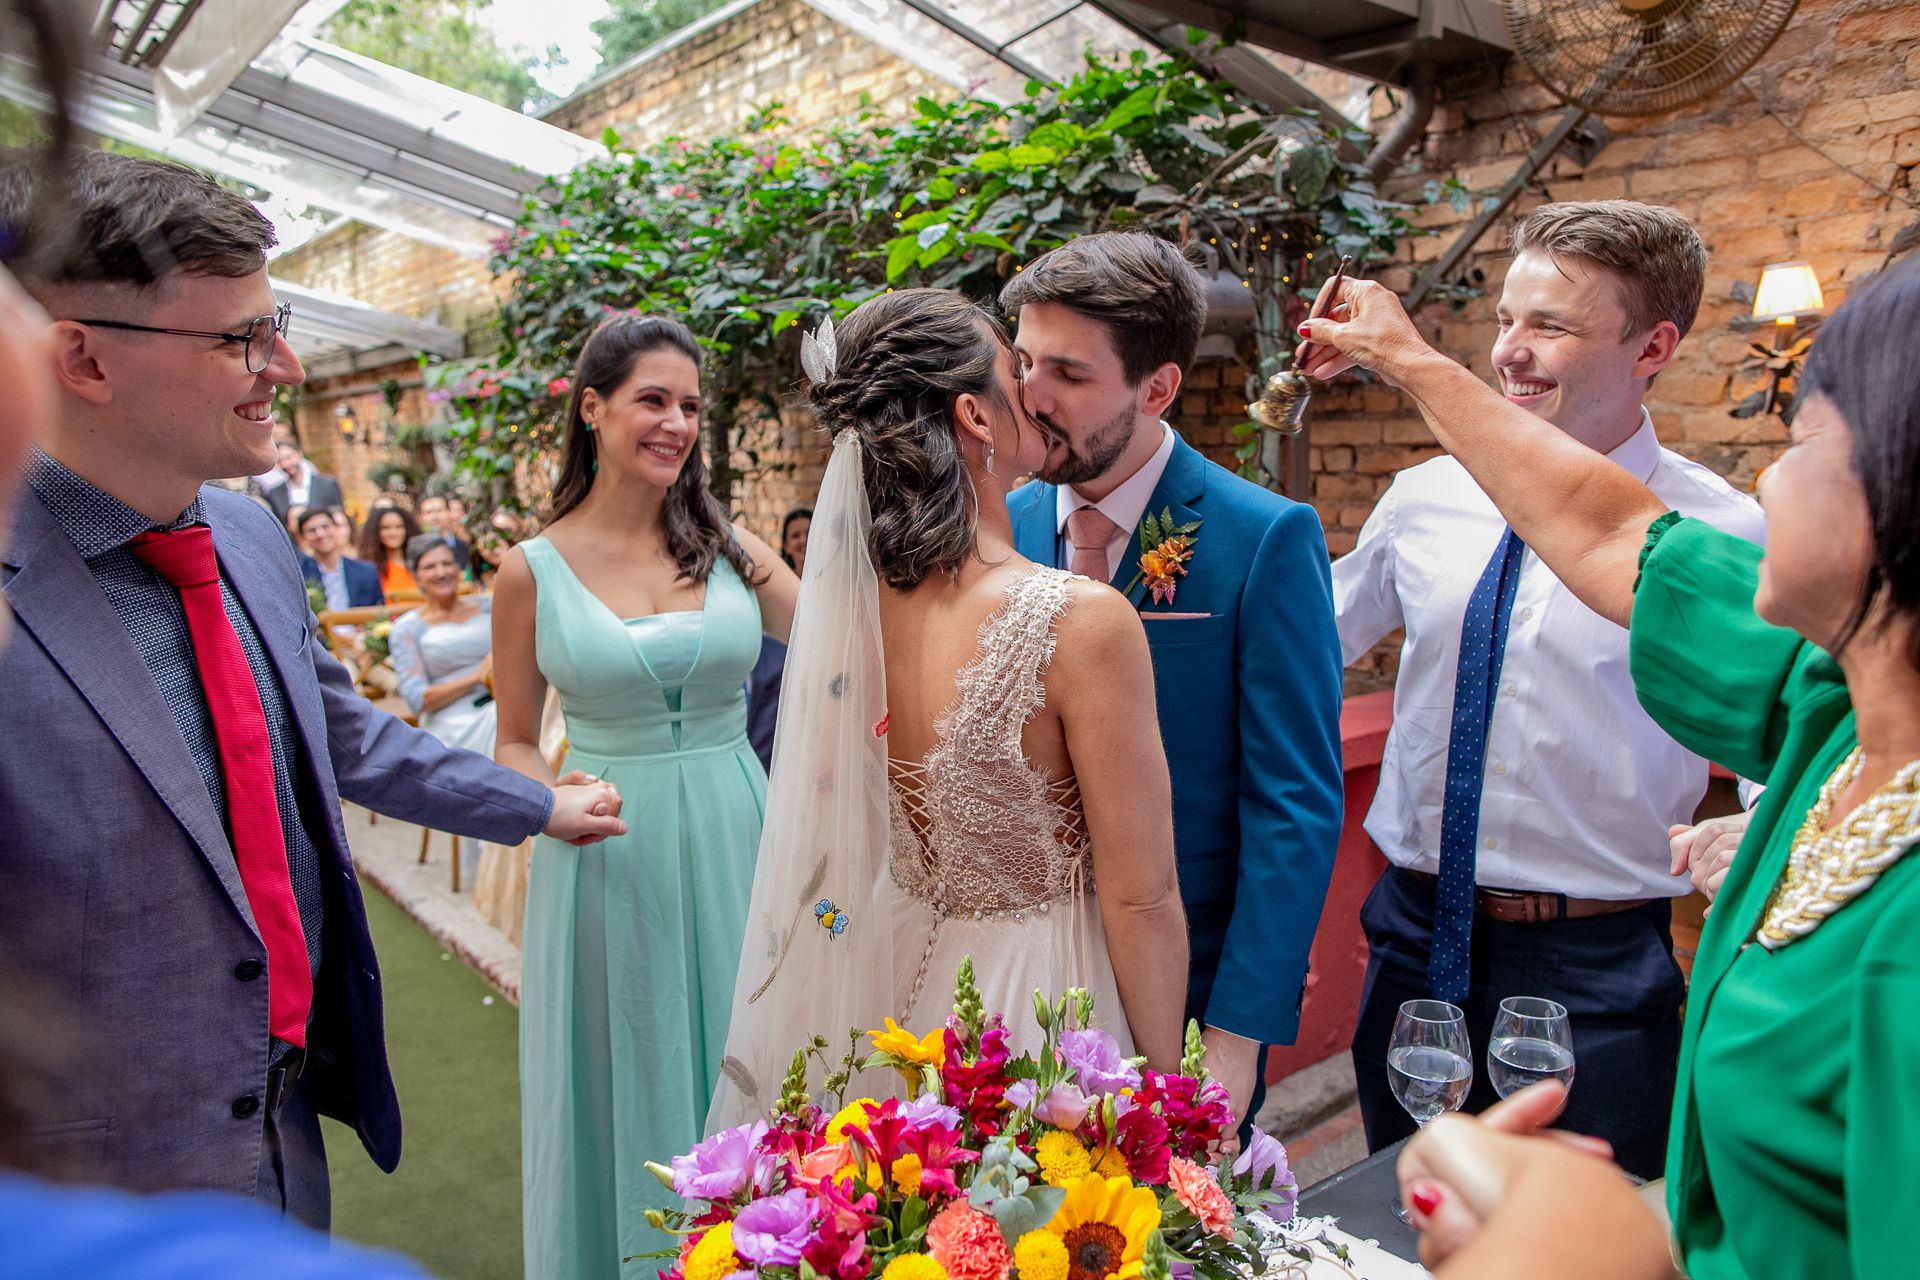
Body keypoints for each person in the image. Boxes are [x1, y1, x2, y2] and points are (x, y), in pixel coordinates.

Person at [0, 148, 626, 1228]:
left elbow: (333, 731)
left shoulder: (246, 532)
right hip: (90, 1191)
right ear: (84, 361)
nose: (284, 365)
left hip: (285, 1138)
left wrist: (533, 802)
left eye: (273, 318)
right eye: (240, 336)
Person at [1304, 244, 1920, 1279]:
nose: (1769, 472)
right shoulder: (1828, 703)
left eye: (1807, 437)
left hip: (1595, 961)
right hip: (1420, 928)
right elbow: (1608, 535)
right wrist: (1409, 364)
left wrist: (1599, 1241)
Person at [1329, 202, 1766, 1177]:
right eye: (1504, 321)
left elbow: (1794, 728)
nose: (1511, 353)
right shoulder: (1424, 496)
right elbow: (1306, 645)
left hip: (1600, 966)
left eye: (1552, 327)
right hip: (1410, 936)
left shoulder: (1721, 534)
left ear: (1653, 344)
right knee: (1407, 1210)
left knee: (1589, 1238)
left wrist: (1769, 843)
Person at [712, 290, 1190, 1131]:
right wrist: (1167, 1099)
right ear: (975, 414)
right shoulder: (1080, 620)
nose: (1036, 389)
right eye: (1017, 368)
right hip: (1041, 1008)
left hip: (901, 1000)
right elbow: (1142, 898)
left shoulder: (853, 618)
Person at [1002, 231, 1343, 1132]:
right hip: (1019, 982)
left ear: (1157, 388)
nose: (1031, 399)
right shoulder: (997, 523)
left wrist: (1237, 1035)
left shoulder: (1263, 537)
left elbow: (1295, 802)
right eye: (1024, 362)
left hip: (1185, 997)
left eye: (1068, 376)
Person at [492, 313, 798, 1280]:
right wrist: (545, 800)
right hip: (606, 853)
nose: (675, 424)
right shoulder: (527, 572)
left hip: (741, 835)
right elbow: (510, 739)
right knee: (638, 1064)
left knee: (755, 1062)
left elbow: (850, 651)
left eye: (691, 407)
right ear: (593, 409)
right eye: (652, 400)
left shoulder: (733, 549)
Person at [390, 534, 495, 758]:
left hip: (504, 702)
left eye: (447, 564)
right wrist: (477, 677)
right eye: (430, 567)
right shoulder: (407, 628)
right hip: (452, 718)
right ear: (416, 576)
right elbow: (417, 699)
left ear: (458, 568)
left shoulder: (489, 606)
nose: (441, 572)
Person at [743, 506, 812, 771]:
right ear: (785, 543)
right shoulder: (774, 578)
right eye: (795, 535)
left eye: (808, 532)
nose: (803, 541)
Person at [296, 506, 384, 609]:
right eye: (312, 530)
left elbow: (379, 612)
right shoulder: (298, 575)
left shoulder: (366, 571)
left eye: (325, 527)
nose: (320, 534)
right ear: (302, 537)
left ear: (336, 528)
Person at [263, 439, 341, 524]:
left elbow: (339, 515)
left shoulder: (327, 484)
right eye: (279, 461)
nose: (286, 464)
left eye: (288, 457)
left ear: (299, 454)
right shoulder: (275, 493)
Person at [358, 504, 420, 597]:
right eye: (386, 528)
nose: (393, 533)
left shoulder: (419, 563)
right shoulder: (368, 568)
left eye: (399, 527)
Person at [416, 492, 470, 568]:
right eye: (428, 512)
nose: (435, 517)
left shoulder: (466, 547)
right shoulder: (414, 548)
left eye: (439, 511)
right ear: (420, 517)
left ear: (449, 512)